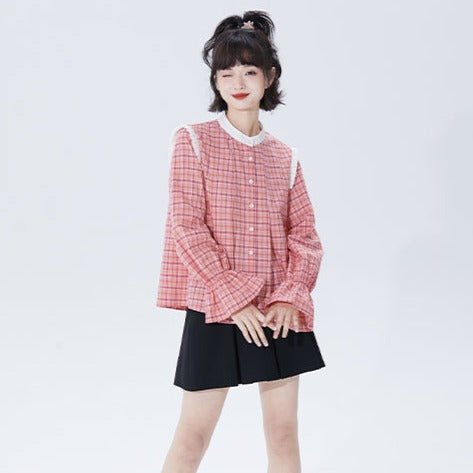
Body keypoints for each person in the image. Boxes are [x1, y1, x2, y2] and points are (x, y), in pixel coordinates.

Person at [156, 10, 326, 473]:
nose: (237, 82)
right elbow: (187, 226)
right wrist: (234, 298)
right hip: (215, 305)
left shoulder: (286, 157)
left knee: (283, 434)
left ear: (269, 78)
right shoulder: (192, 141)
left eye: (249, 71)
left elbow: (305, 235)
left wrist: (290, 296)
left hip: (276, 311)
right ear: (215, 81)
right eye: (225, 73)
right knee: (193, 436)